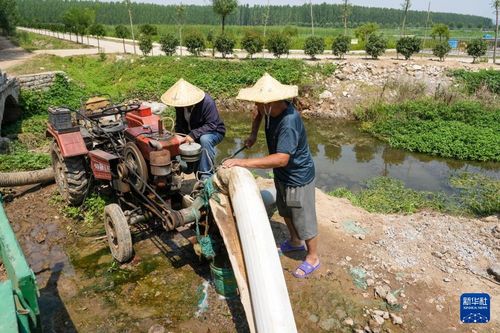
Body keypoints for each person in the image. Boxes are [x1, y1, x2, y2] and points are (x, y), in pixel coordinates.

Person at [222, 73, 319, 278]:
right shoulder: (268, 108)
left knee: (302, 216)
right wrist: (253, 134)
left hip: (296, 176)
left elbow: (282, 159)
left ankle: (312, 257)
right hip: (283, 174)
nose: (256, 105)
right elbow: (257, 114)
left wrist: (243, 162)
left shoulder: (289, 122)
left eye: (259, 102)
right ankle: (294, 242)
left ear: (272, 102)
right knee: (285, 209)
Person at [161, 79, 225, 180]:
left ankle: (206, 175)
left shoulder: (207, 102)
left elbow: (212, 124)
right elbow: (180, 123)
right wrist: (179, 136)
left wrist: (193, 135)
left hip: (214, 131)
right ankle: (190, 167)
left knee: (204, 139)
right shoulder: (180, 105)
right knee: (180, 141)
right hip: (193, 132)